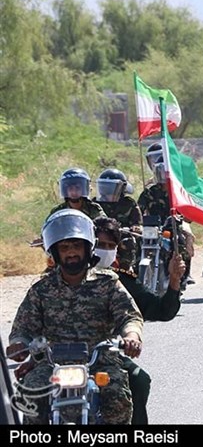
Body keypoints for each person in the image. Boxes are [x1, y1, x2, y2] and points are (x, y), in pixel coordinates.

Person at [6, 210, 143, 425]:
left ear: (87, 248)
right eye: (64, 248)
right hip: (52, 364)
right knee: (30, 393)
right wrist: (18, 344)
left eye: (77, 246)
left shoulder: (107, 283)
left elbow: (129, 316)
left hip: (99, 361)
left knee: (117, 395)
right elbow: (23, 328)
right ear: (55, 252)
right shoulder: (41, 289)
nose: (71, 252)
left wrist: (131, 337)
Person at [93, 217, 184, 425]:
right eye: (99, 244)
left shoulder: (119, 281)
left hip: (101, 355)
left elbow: (161, 311)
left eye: (110, 246)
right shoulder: (57, 279)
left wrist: (174, 280)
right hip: (58, 356)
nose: (104, 250)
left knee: (139, 380)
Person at [138, 143, 194, 284]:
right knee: (137, 241)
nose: (163, 175)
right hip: (152, 226)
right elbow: (138, 210)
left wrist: (183, 217)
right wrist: (136, 223)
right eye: (161, 171)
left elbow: (188, 211)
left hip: (173, 225)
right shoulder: (149, 191)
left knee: (182, 240)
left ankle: (184, 274)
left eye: (166, 172)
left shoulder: (179, 191)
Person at [95, 168, 143, 271]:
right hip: (100, 235)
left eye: (112, 187)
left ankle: (125, 270)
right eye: (105, 187)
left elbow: (137, 223)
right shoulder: (95, 203)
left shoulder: (129, 203)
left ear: (122, 189)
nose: (108, 191)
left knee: (128, 242)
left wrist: (135, 227)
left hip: (121, 236)